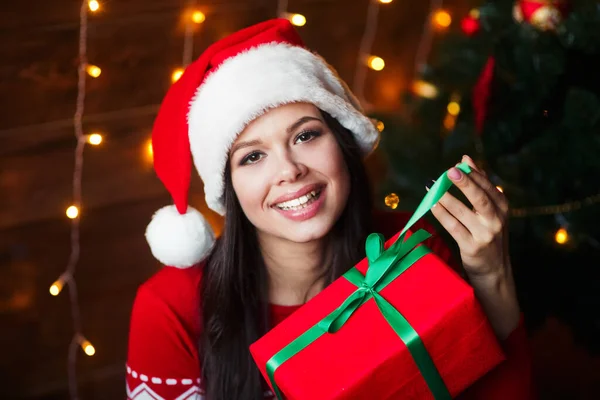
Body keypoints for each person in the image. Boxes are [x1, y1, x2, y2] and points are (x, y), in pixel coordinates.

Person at [126, 19, 534, 400]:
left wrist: (491, 275)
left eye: (306, 135)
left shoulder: (411, 255)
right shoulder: (170, 309)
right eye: (252, 157)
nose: (289, 170)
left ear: (343, 143)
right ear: (228, 188)